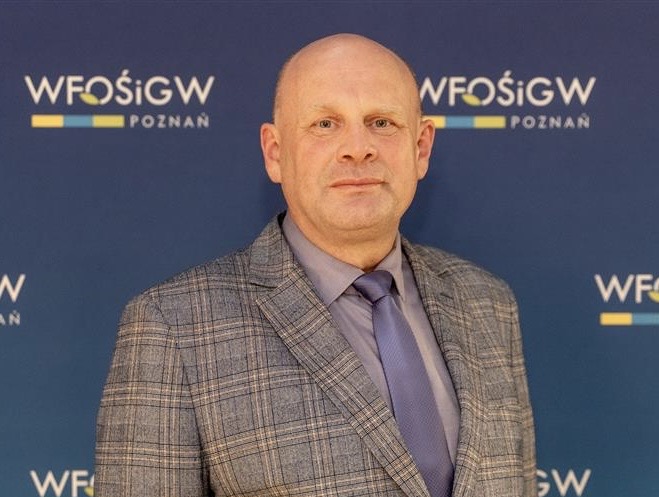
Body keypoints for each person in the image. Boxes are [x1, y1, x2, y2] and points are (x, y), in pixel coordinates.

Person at [95, 33, 536, 497]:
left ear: (421, 148)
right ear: (275, 153)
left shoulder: (487, 302)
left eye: (382, 122)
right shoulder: (173, 326)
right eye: (325, 124)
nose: (358, 148)